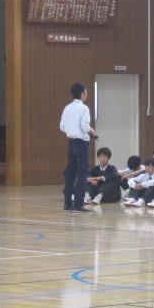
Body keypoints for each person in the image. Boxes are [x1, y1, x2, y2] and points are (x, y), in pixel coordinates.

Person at [59, 82, 96, 213]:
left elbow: (62, 127)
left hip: (71, 142)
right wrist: (91, 130)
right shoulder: (84, 108)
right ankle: (78, 204)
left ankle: (67, 203)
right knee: (82, 173)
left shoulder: (67, 108)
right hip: (81, 143)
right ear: (82, 93)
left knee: (70, 173)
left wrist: (71, 130)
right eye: (85, 91)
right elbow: (84, 126)